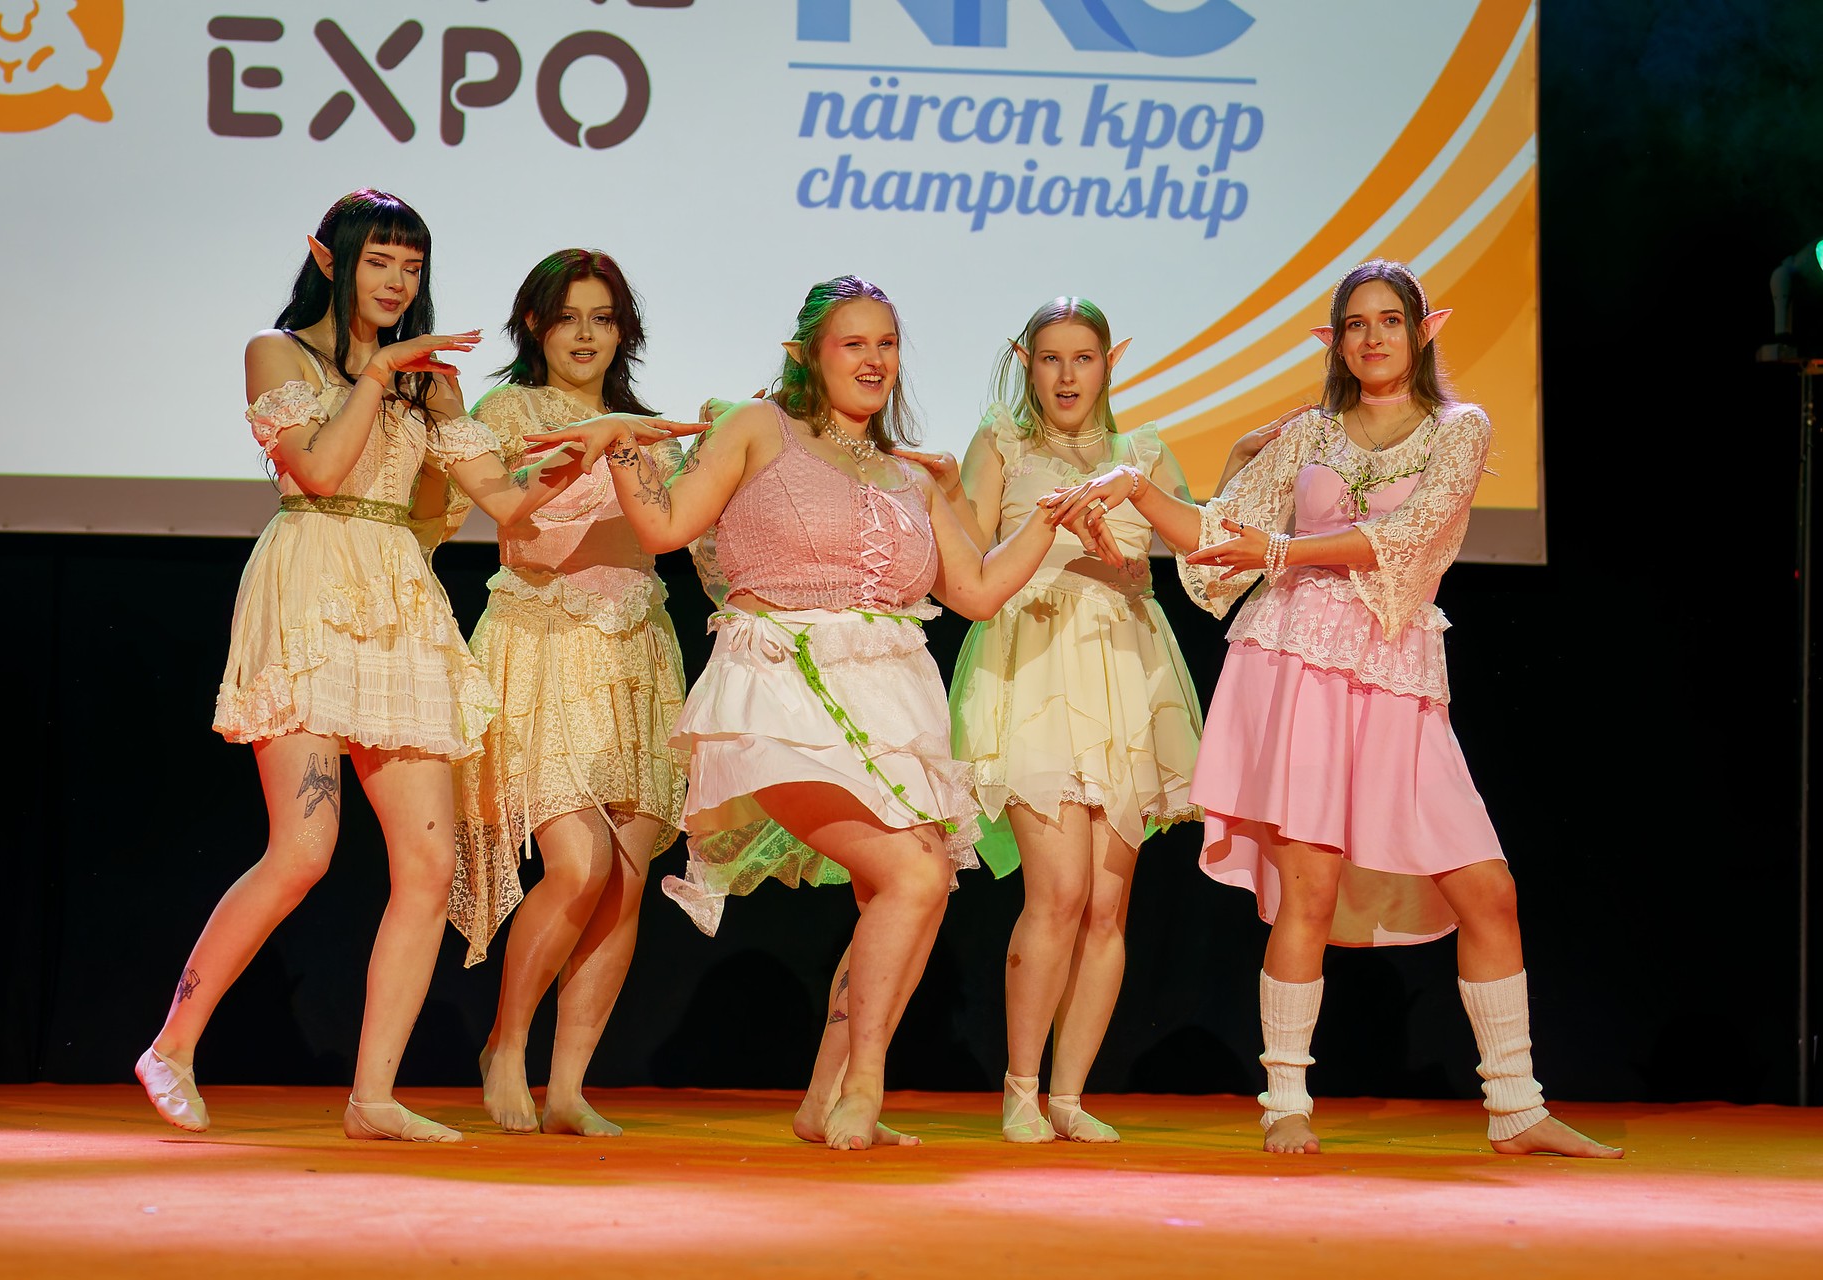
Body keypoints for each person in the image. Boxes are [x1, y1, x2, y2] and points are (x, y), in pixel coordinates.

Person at [1042, 260, 1622, 1159]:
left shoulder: (1459, 429)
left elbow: (1408, 536)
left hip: (1395, 672)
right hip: (1295, 666)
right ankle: (1285, 1102)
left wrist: (1279, 548)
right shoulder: (1307, 432)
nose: (1373, 337)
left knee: (1488, 889)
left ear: (1422, 332)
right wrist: (1140, 489)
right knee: (1306, 890)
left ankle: (1516, 1106)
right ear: (1336, 342)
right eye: (1356, 323)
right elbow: (1220, 536)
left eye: (1389, 320)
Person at [135, 190, 669, 1143]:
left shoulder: (435, 384)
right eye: (378, 261)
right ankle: (172, 1045)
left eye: (411, 266)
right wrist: (379, 372)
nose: (395, 281)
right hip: (310, 582)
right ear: (329, 259)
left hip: (402, 598)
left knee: (427, 866)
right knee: (304, 851)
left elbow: (504, 502)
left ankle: (372, 1096)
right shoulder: (278, 353)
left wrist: (582, 454)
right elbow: (319, 471)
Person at [527, 275, 1062, 1151]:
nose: (874, 360)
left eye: (887, 344)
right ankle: (865, 1087)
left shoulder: (909, 474)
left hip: (892, 703)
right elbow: (664, 528)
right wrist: (620, 444)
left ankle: (826, 1099)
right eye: (854, 343)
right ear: (807, 354)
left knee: (916, 883)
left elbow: (974, 592)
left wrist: (1050, 519)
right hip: (777, 690)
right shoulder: (757, 427)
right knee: (915, 876)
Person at [932, 297, 1206, 1143]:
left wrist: (1135, 553)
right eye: (1050, 359)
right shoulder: (1001, 443)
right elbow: (967, 562)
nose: (1066, 376)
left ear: (1109, 363)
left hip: (1123, 670)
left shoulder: (1143, 453)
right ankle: (1020, 1087)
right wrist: (960, 499)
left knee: (1107, 905)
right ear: (1027, 363)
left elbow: (1199, 554)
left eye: (1082, 358)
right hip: (1035, 665)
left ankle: (1069, 1095)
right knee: (1057, 891)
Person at [447, 249, 688, 1136]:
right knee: (579, 867)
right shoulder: (507, 412)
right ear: (534, 326)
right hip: (546, 647)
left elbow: (670, 536)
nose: (585, 335)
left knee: (624, 883)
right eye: (567, 317)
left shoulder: (649, 429)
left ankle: (569, 1085)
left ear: (624, 330)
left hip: (638, 652)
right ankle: (506, 1045)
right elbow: (525, 527)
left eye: (602, 318)